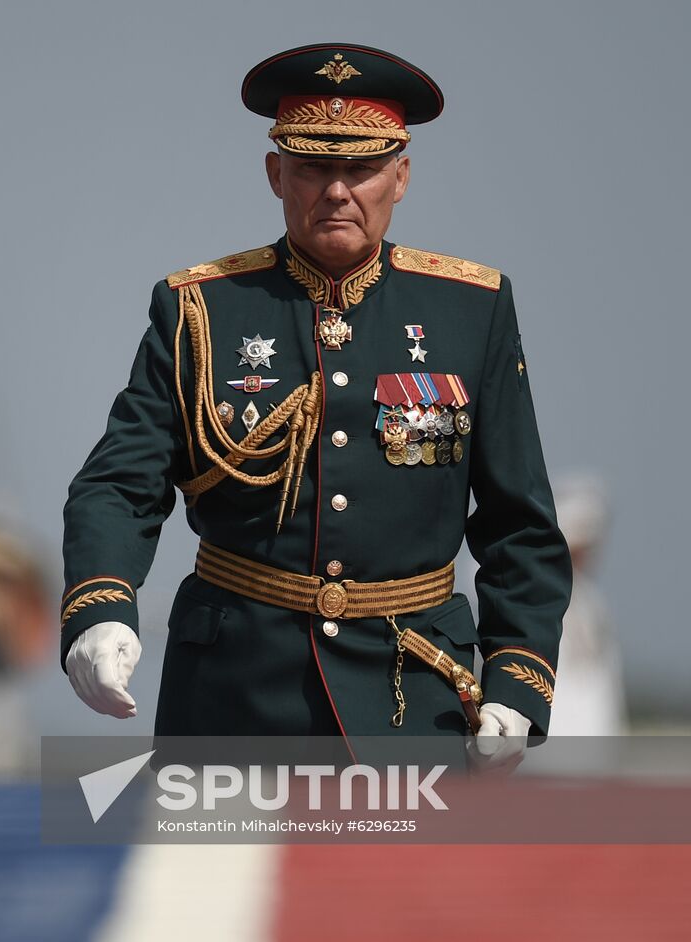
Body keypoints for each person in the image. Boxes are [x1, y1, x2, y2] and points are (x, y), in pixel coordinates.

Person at [61, 44, 571, 754]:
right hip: (232, 694)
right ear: (276, 174)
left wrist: (518, 683)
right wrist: (102, 607)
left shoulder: (471, 310)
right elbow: (119, 483)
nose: (338, 190)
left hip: (413, 695)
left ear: (401, 176)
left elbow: (520, 524)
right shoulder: (201, 309)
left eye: (361, 168)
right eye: (314, 167)